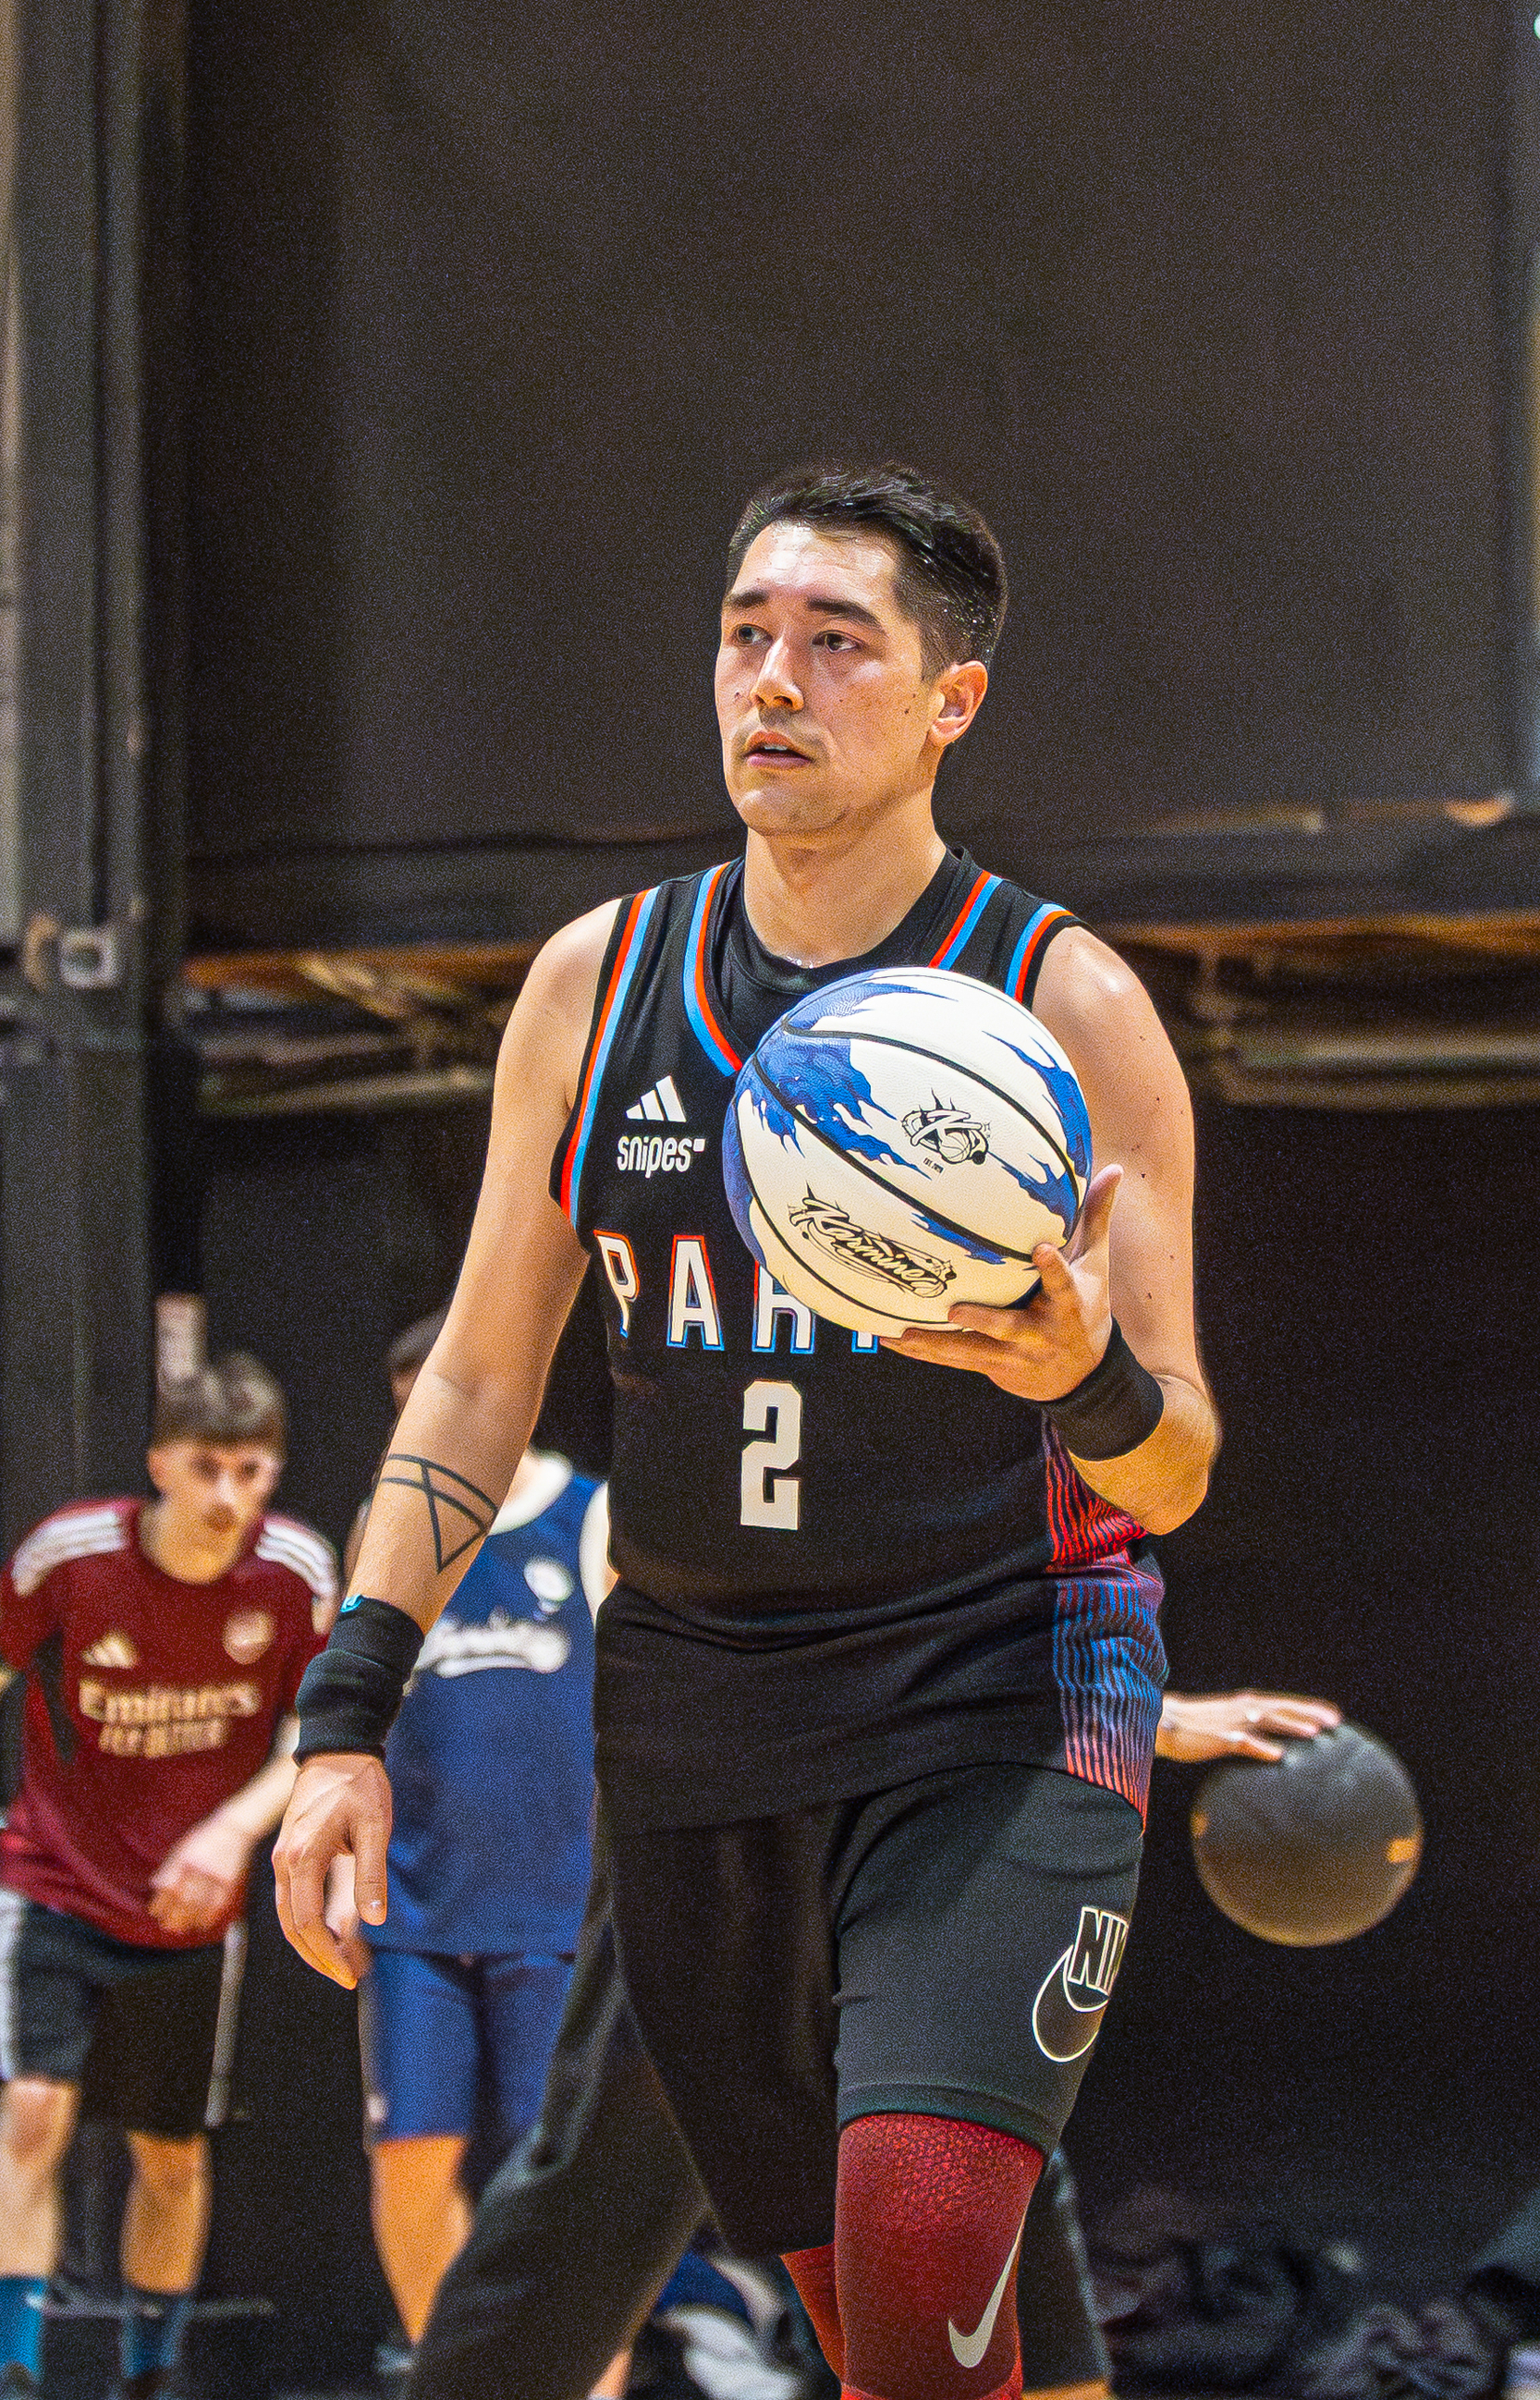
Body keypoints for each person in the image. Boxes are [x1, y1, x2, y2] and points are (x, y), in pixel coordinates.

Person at [275, 459, 1221, 2400]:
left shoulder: (1066, 1005)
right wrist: (346, 1710)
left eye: (835, 643)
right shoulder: (593, 983)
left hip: (1002, 1682)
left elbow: (1177, 1461)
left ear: (951, 698)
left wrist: (1084, 1379)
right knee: (913, 2321)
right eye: (744, 637)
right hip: (700, 1710)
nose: (770, 682)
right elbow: (475, 1374)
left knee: (922, 2230)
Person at [400, 1689, 1340, 2400]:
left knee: (975, 2142)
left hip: (932, 1773)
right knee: (619, 2149)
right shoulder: (704, 1496)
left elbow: (1009, 1575)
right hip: (726, 1769)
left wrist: (1129, 1704)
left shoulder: (992, 1480)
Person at [0, 1354, 335, 2400]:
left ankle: (150, 2377)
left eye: (250, 1469)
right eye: (206, 1468)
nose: (229, 1495)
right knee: (33, 2115)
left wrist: (232, 1833)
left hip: (189, 1910)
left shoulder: (296, 1574)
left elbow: (319, 1738)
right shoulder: (72, 1556)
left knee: (172, 2154)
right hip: (52, 1876)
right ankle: (16, 2369)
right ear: (159, 1466)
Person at [327, 1310, 610, 2353]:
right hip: (414, 1900)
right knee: (409, 2165)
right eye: (411, 1417)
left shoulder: (585, 1512)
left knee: (563, 2181)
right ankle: (456, 2376)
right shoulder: (387, 1522)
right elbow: (355, 1709)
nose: (431, 1436)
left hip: (553, 1901)